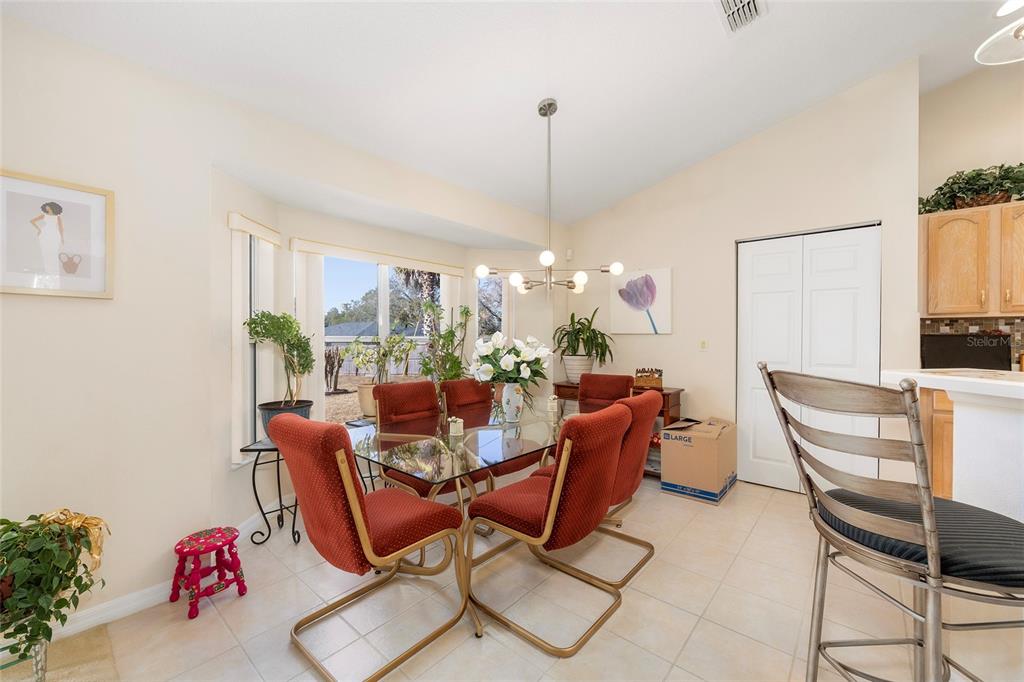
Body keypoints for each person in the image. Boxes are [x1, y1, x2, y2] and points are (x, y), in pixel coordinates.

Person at [29, 201, 64, 283]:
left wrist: (62, 238)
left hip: (54, 234)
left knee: (53, 252)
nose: (47, 208)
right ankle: (47, 271)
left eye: (48, 206)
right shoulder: (44, 215)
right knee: (45, 252)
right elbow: (32, 221)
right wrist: (39, 229)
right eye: (46, 206)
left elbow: (61, 227)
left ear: (52, 207)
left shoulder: (57, 217)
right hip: (45, 234)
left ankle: (54, 272)